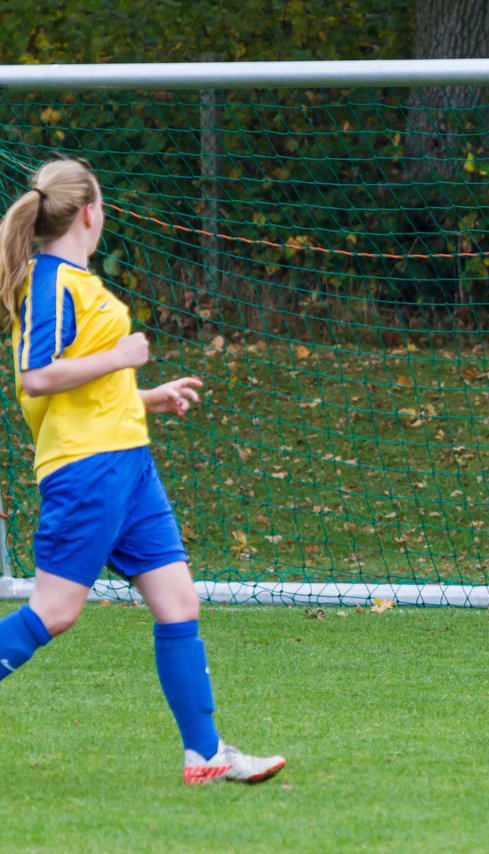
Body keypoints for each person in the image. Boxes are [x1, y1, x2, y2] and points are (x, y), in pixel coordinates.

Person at [0, 159, 285, 785]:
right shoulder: (50, 282)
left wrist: (146, 394)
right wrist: (121, 355)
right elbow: (35, 377)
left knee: (179, 600)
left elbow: (85, 384)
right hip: (86, 470)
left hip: (128, 464)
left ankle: (205, 753)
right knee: (54, 611)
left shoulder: (79, 280)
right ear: (90, 212)